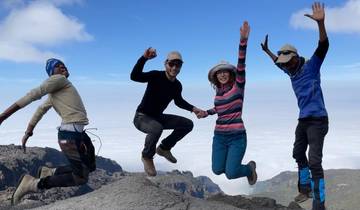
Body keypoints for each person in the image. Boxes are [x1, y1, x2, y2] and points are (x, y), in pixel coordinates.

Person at [0, 58, 96, 205]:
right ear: (52, 74)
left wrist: (28, 132)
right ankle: (32, 184)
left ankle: (49, 172)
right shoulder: (59, 80)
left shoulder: (57, 91)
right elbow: (33, 94)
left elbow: (40, 110)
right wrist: (4, 116)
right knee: (80, 178)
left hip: (77, 133)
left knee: (90, 166)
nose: (62, 66)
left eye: (62, 64)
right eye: (57, 66)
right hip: (70, 135)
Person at [261, 3, 329, 210]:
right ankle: (305, 189)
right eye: (284, 63)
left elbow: (323, 46)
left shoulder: (311, 66)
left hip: (318, 120)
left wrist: (321, 24)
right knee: (298, 154)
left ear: (296, 57)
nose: (286, 65)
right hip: (303, 120)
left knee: (314, 162)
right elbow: (277, 62)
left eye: (288, 61)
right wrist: (268, 51)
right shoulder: (291, 71)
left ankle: (319, 203)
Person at [198, 21, 257, 185]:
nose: (222, 74)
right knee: (217, 170)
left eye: (225, 71)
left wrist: (243, 41)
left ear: (231, 74)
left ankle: (249, 169)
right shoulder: (219, 91)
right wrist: (206, 113)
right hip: (219, 136)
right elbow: (219, 108)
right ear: (216, 77)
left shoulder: (238, 86)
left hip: (237, 137)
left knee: (231, 174)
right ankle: (237, 167)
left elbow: (241, 64)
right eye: (219, 73)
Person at [131, 48, 204, 176]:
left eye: (178, 65)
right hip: (141, 117)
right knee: (156, 128)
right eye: (171, 64)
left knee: (187, 124)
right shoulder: (155, 76)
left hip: (157, 117)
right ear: (166, 64)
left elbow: (178, 101)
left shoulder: (177, 85)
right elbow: (135, 76)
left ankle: (164, 148)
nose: (174, 68)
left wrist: (193, 109)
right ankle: (147, 156)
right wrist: (144, 58)